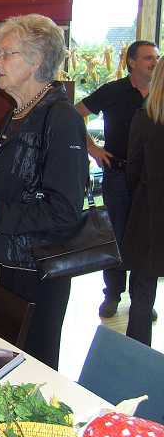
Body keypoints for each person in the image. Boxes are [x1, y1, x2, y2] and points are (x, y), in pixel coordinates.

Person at [0, 14, 89, 370]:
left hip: (41, 273)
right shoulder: (18, 114)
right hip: (10, 263)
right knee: (8, 365)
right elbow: (13, 193)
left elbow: (64, 211)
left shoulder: (61, 119)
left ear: (36, 60)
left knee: (33, 369)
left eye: (6, 53)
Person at [75, 40, 160, 320]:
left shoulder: (160, 94)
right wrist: (92, 148)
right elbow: (74, 114)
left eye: (156, 57)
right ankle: (112, 294)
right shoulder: (114, 91)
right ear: (131, 62)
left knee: (146, 237)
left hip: (151, 180)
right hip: (119, 174)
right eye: (148, 58)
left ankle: (141, 300)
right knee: (116, 235)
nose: (155, 62)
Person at [121, 58, 164, 346]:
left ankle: (135, 356)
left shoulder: (144, 118)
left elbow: (133, 170)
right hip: (150, 210)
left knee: (143, 292)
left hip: (149, 212)